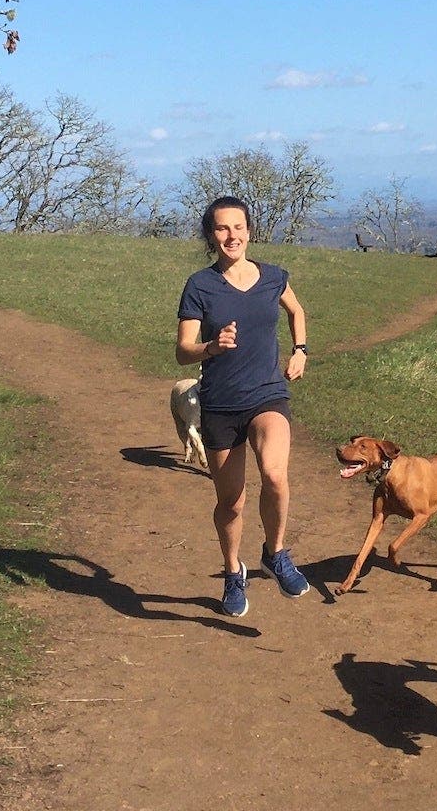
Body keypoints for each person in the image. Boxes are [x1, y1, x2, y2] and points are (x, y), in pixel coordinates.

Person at [176, 195, 310, 617]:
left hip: (267, 393)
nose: (231, 236)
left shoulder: (273, 277)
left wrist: (300, 350)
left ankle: (276, 552)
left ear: (249, 230)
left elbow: (297, 311)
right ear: (211, 235)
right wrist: (211, 347)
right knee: (230, 501)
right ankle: (234, 572)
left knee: (274, 473)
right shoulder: (200, 286)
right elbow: (183, 351)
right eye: (221, 228)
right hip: (221, 404)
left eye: (238, 227)